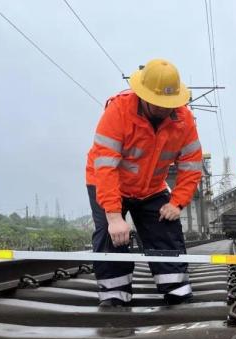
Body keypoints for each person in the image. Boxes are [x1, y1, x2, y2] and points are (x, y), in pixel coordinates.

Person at [85, 59, 203, 307]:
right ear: (143, 95)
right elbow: (106, 167)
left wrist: (178, 202)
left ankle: (175, 287)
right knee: (111, 235)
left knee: (166, 228)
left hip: (151, 187)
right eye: (158, 103)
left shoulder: (184, 120)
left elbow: (191, 165)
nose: (164, 109)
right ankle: (114, 295)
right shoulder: (118, 112)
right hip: (109, 182)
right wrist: (115, 217)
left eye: (169, 104)